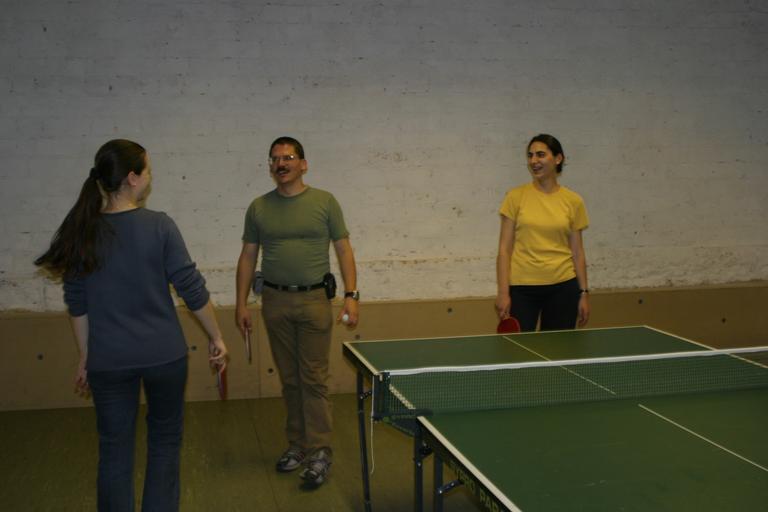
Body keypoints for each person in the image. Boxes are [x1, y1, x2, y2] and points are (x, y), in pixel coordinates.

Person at [34, 139, 227, 512]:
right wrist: (216, 336)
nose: (151, 176)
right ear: (133, 178)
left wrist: (86, 356)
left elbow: (77, 303)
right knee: (165, 443)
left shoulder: (82, 231)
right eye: (148, 170)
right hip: (164, 357)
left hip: (108, 361)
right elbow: (191, 288)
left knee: (114, 449)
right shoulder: (160, 226)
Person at [235, 136, 359, 488]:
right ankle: (298, 445)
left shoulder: (325, 202)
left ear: (303, 164)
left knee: (313, 377)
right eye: (275, 159)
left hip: (315, 301)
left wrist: (351, 295)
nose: (281, 163)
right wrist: (241, 303)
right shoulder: (259, 208)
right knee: (290, 379)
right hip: (274, 302)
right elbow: (248, 256)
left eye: (288, 157)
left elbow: (344, 249)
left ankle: (320, 450)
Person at [495, 134, 590, 332]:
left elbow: (578, 252)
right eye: (530, 155)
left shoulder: (573, 201)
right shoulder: (515, 197)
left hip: (563, 287)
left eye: (540, 155)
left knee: (558, 348)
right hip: (522, 289)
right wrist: (503, 293)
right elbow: (504, 250)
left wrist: (583, 294)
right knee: (518, 348)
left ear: (558, 158)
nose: (533, 161)